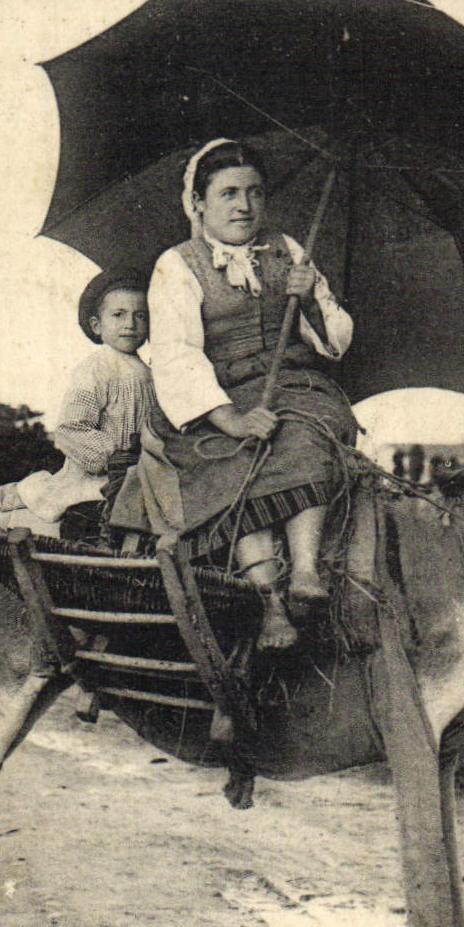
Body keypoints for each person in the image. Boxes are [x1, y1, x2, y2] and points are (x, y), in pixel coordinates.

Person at [115, 138, 357, 650]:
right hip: (213, 396)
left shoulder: (290, 250)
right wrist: (230, 418)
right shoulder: (177, 265)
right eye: (227, 193)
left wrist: (308, 296)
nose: (244, 206)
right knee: (236, 460)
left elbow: (334, 337)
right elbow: (178, 354)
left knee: (309, 431)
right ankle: (268, 601)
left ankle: (306, 574)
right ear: (198, 202)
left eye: (254, 193)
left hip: (293, 384)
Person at [6, 270, 156, 544]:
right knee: (93, 523)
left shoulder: (151, 372)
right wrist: (112, 456)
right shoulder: (96, 368)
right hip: (96, 480)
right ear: (97, 325)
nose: (130, 324)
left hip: (143, 476)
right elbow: (70, 428)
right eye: (118, 315)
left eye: (141, 315)